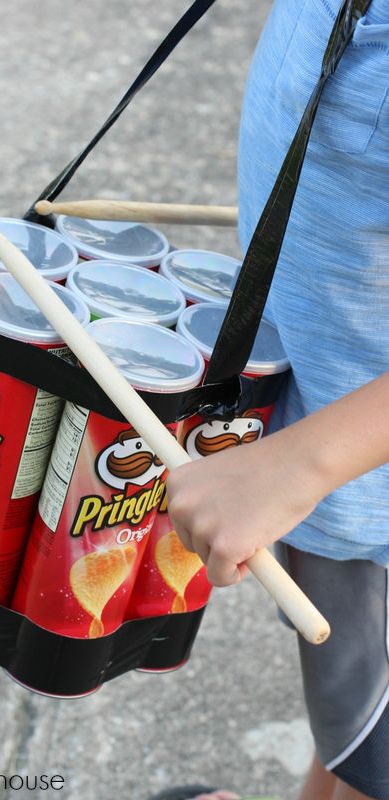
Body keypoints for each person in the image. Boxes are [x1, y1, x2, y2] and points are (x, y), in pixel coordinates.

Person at [148, 1, 389, 799]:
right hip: (337, 466)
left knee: (378, 743)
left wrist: (300, 464)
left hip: (359, 481)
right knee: (351, 723)